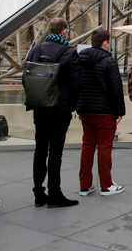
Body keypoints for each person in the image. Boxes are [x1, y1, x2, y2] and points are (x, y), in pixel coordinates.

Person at [25, 17, 81, 208]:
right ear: (65, 31)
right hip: (60, 107)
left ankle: (38, 194)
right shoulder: (69, 52)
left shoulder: (36, 49)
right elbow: (75, 83)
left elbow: (27, 76)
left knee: (40, 148)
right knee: (56, 150)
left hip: (40, 106)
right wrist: (72, 105)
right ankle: (55, 194)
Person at [77, 29, 126, 197]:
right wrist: (120, 111)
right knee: (104, 147)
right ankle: (106, 185)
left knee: (87, 146)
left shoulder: (80, 59)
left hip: (85, 109)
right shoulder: (108, 61)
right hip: (104, 111)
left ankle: (85, 185)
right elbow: (116, 88)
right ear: (105, 43)